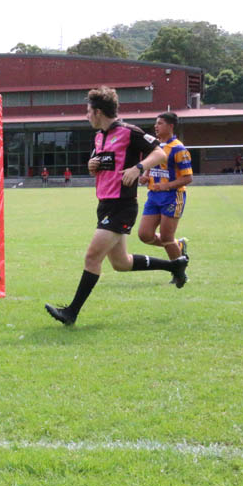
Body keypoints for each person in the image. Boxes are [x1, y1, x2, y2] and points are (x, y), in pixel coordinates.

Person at [45, 87, 189, 326]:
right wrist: (92, 166)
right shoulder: (99, 137)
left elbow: (160, 154)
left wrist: (138, 168)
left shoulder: (129, 132)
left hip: (122, 206)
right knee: (121, 263)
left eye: (88, 111)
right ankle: (174, 265)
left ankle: (71, 312)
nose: (87, 116)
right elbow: (103, 165)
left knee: (92, 257)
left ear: (98, 112)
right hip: (104, 205)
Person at [137, 112, 192, 283]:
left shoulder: (178, 149)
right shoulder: (154, 145)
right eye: (156, 123)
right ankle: (178, 245)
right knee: (145, 235)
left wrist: (166, 185)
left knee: (167, 237)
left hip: (172, 196)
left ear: (170, 126)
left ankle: (179, 274)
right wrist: (145, 176)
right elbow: (151, 164)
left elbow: (188, 178)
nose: (156, 126)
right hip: (153, 196)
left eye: (160, 123)